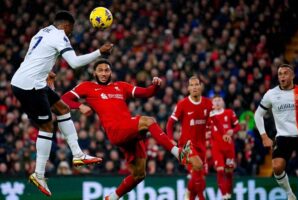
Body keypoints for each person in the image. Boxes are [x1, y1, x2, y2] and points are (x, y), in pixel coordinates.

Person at [10, 10, 113, 196]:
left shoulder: (43, 31)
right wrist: (99, 52)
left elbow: (34, 56)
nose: (70, 34)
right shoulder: (60, 36)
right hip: (29, 86)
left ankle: (78, 154)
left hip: (34, 80)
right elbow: (74, 63)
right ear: (65, 26)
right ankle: (38, 174)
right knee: (47, 126)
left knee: (63, 108)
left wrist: (46, 72)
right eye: (70, 31)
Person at [61, 59, 191, 200]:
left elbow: (147, 93)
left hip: (129, 132)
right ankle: (177, 152)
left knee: (139, 174)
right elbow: (65, 98)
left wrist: (155, 86)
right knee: (148, 121)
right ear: (94, 73)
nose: (103, 73)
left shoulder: (121, 86)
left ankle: (113, 197)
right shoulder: (87, 87)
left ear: (111, 72)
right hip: (115, 130)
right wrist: (79, 106)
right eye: (100, 70)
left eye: (106, 70)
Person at [166, 76, 225, 200]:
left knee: (199, 176)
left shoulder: (208, 103)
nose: (194, 87)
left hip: (200, 145)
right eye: (191, 85)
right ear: (188, 88)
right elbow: (170, 123)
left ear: (200, 87)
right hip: (186, 145)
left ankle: (189, 194)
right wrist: (171, 139)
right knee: (197, 165)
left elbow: (216, 121)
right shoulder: (182, 104)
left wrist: (224, 133)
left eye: (196, 84)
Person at [254, 64, 298, 200]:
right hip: (283, 136)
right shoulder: (271, 94)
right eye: (280, 74)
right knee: (277, 167)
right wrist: (264, 136)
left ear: (292, 76)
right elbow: (258, 115)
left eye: (285, 73)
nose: (282, 76)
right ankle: (290, 194)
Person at [210, 96, 240, 200]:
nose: (217, 102)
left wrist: (233, 131)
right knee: (220, 170)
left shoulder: (229, 112)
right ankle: (223, 195)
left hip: (229, 148)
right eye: (215, 101)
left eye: (219, 100)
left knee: (229, 172)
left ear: (223, 102)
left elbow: (238, 126)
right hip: (217, 148)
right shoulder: (210, 116)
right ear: (212, 104)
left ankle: (228, 194)